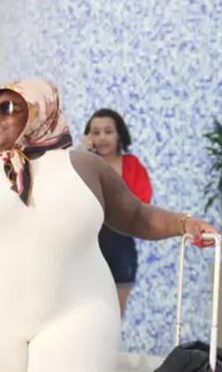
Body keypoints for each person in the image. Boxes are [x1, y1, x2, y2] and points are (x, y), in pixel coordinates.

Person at [0, 79, 217, 372]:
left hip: (79, 312)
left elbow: (136, 216)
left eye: (8, 108)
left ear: (43, 110)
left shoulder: (85, 167)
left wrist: (184, 223)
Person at [80, 108, 152, 315]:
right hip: (86, 249)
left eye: (108, 131)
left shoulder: (132, 166)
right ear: (88, 137)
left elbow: (142, 204)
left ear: (119, 134)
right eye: (95, 132)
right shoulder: (81, 164)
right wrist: (81, 154)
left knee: (113, 317)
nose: (102, 137)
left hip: (121, 249)